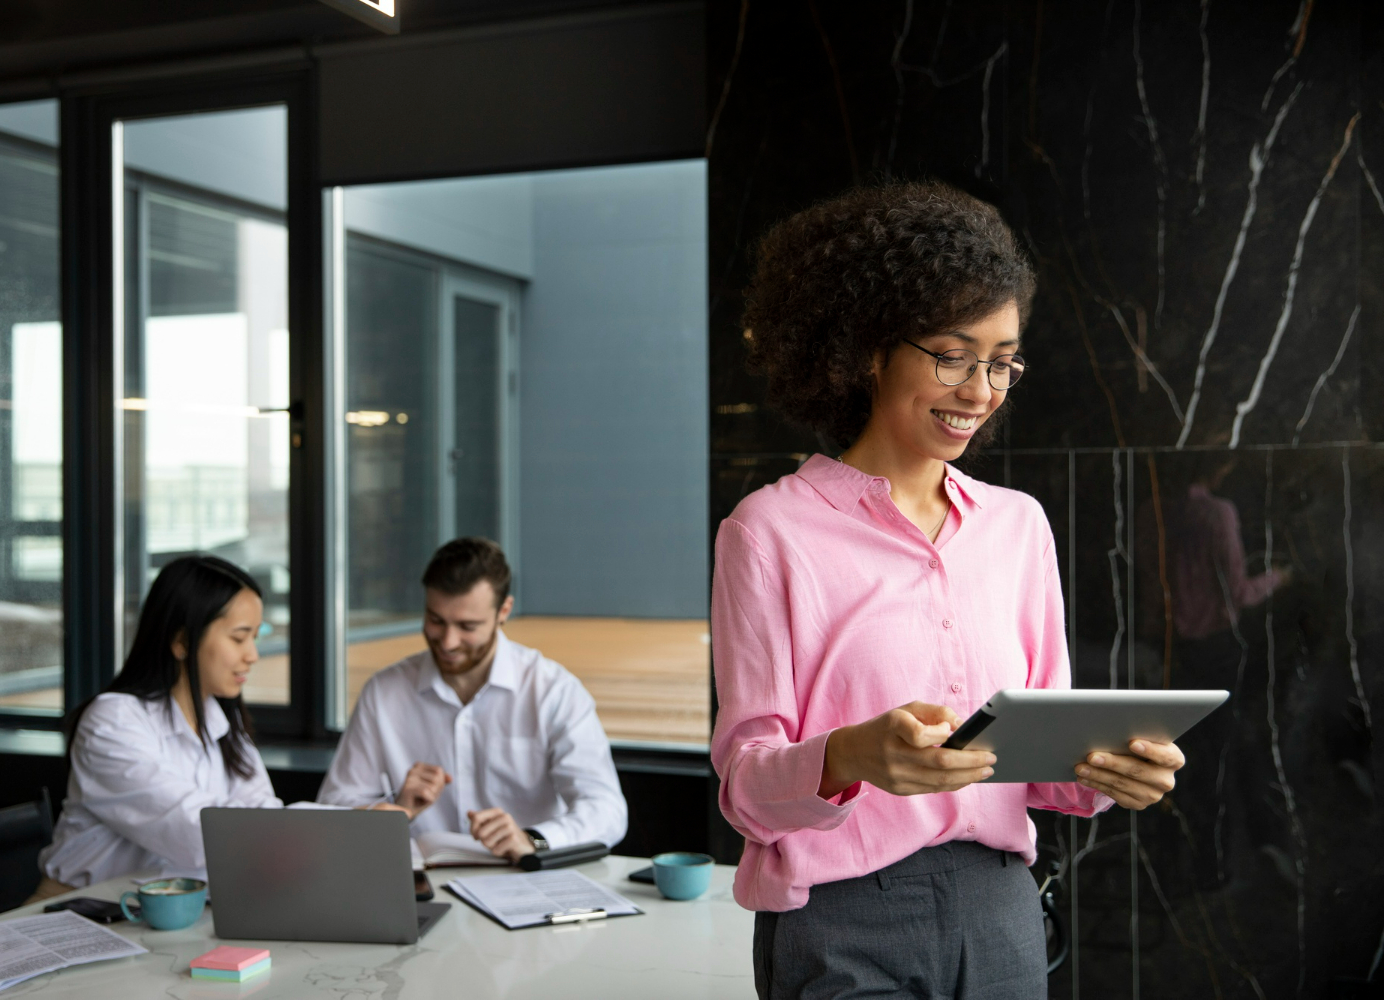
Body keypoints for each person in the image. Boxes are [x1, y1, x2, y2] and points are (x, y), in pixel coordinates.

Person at [712, 182, 1187, 1000]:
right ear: (869, 349)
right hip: (843, 918)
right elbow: (746, 790)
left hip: (1000, 907)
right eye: (952, 355)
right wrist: (853, 755)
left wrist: (1109, 772)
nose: (981, 390)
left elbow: (1039, 758)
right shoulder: (768, 532)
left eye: (1002, 362)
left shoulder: (1017, 526)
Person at [318, 537, 627, 860]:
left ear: (504, 611)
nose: (448, 642)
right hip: (417, 887)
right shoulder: (384, 692)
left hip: (526, 880)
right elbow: (332, 807)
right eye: (436, 620)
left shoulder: (553, 691)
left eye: (467, 626)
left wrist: (533, 840)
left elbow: (607, 810)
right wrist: (396, 807)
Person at [32, 555, 286, 899]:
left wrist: (336, 824)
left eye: (256, 637)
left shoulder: (221, 722)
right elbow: (192, 830)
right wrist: (325, 828)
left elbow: (261, 811)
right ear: (181, 641)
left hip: (167, 914)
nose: (253, 655)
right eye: (239, 638)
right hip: (82, 911)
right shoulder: (113, 720)